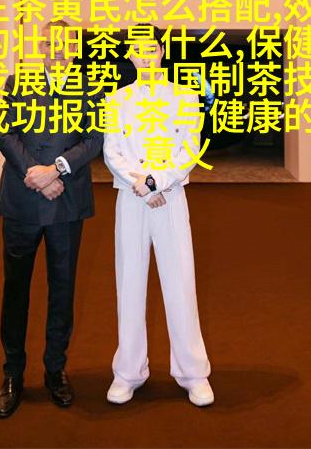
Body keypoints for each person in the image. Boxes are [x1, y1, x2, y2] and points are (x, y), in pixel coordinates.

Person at [0, 19, 103, 418]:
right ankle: (12, 373)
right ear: (41, 46)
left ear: (75, 49)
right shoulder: (17, 82)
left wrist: (56, 170)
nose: (58, 50)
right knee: (15, 288)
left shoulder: (91, 88)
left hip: (66, 202)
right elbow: (5, 135)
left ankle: (55, 370)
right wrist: (35, 174)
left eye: (66, 44)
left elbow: (95, 139)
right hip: (22, 201)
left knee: (62, 289)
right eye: (51, 43)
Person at [103, 25, 214, 407]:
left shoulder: (185, 96)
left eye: (151, 49)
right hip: (130, 197)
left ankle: (193, 373)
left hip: (170, 196)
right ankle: (128, 372)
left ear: (162, 51)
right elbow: (112, 151)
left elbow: (190, 148)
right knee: (129, 284)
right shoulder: (116, 99)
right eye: (138, 50)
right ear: (130, 56)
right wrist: (140, 183)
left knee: (180, 282)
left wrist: (156, 182)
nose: (146, 56)